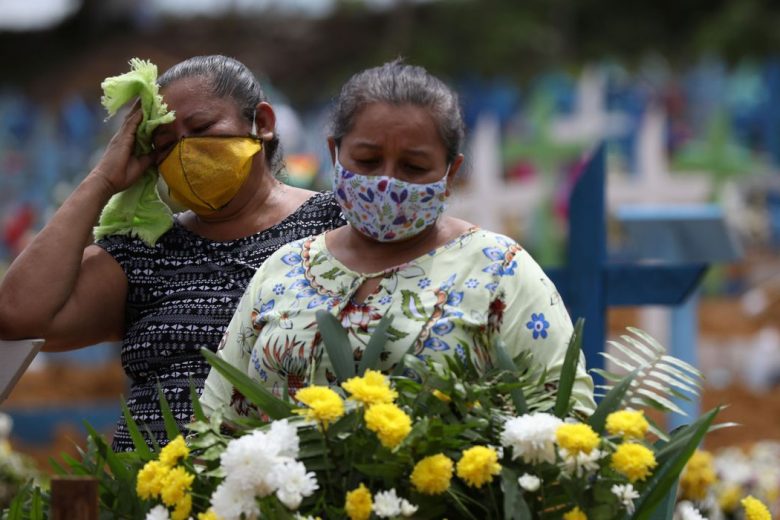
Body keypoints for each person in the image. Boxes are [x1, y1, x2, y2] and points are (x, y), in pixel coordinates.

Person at [200, 60, 595, 419]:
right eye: (368, 161)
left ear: (451, 172)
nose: (387, 181)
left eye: (414, 166)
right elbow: (219, 422)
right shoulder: (283, 270)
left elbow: (563, 417)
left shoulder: (498, 269)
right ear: (334, 154)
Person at [0, 55, 345, 451]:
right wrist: (103, 179)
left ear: (262, 124)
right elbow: (17, 315)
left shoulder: (332, 225)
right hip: (149, 497)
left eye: (201, 128)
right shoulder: (145, 254)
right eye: (164, 145)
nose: (184, 150)